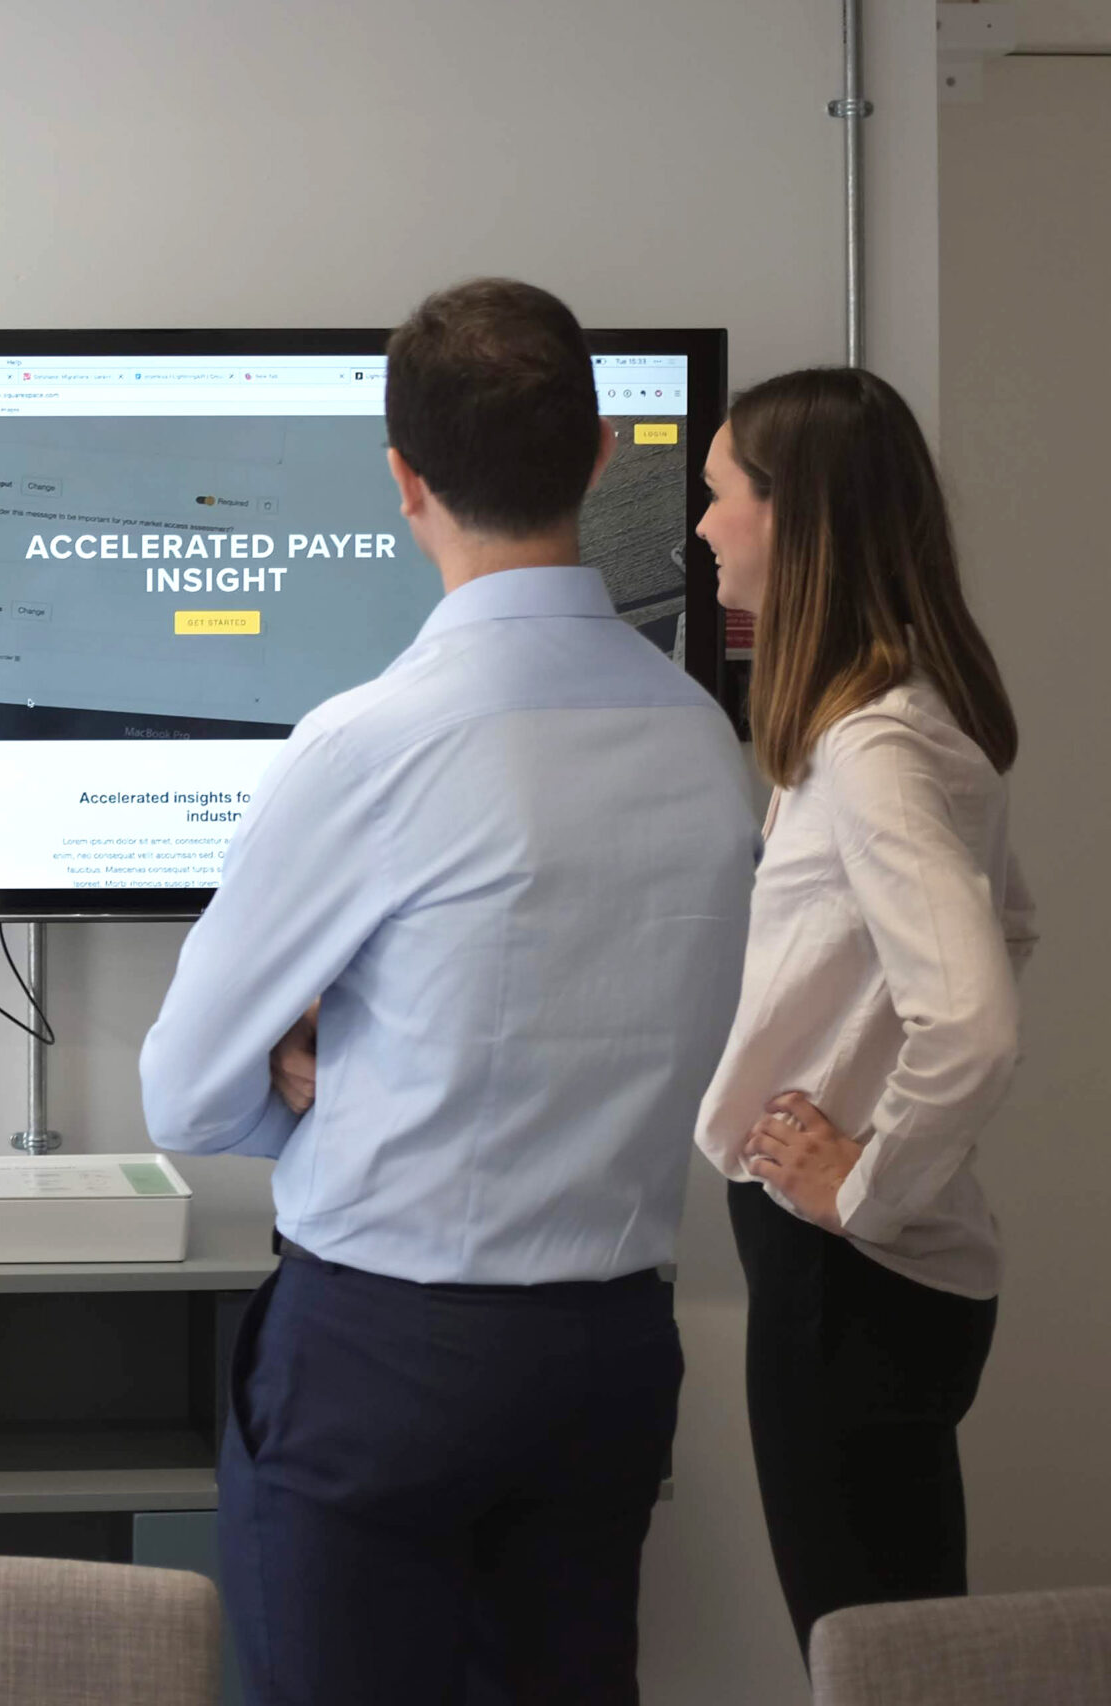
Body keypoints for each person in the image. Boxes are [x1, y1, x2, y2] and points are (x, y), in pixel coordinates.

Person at [139, 279, 758, 1704]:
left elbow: (181, 1091)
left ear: (404, 483)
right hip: (609, 1356)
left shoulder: (368, 741)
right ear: (604, 457)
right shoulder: (697, 738)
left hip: (384, 1356)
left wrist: (327, 1088)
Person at [691, 367, 1032, 1658]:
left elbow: (976, 1014)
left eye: (723, 496)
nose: (705, 527)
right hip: (884, 1274)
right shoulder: (905, 718)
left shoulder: (872, 749)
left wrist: (866, 1178)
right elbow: (1012, 926)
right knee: (900, 1645)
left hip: (851, 1269)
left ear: (797, 518)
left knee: (866, 1653)